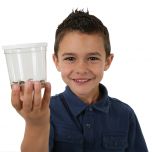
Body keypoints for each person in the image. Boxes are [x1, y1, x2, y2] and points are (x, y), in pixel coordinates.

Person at [11, 10, 148, 152]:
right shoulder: (46, 110)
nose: (81, 69)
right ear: (56, 61)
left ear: (108, 61)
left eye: (92, 58)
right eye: (70, 58)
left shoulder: (125, 114)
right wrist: (36, 124)